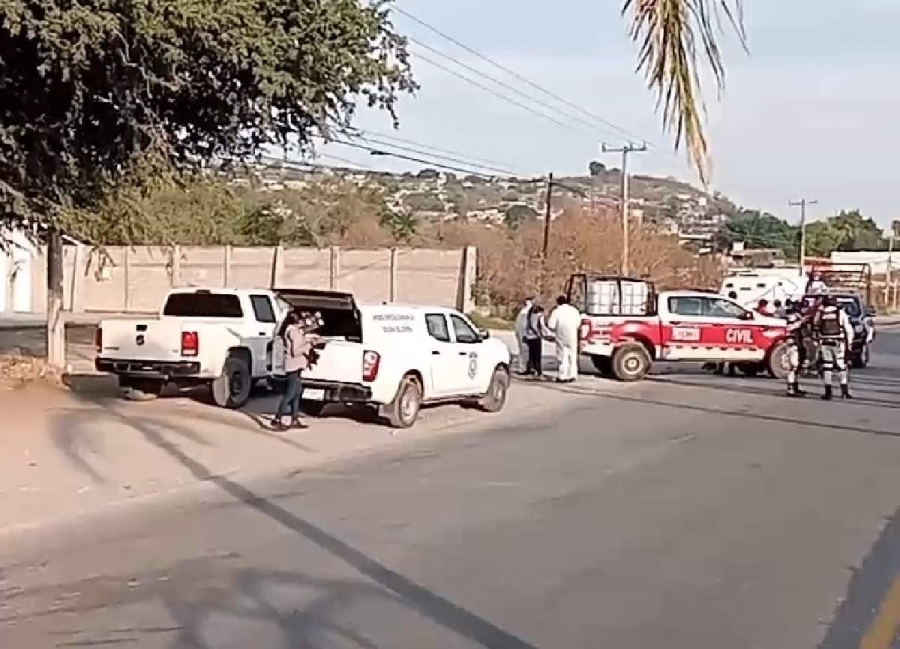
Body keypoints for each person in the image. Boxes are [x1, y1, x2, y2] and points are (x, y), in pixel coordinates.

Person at [271, 310, 314, 430]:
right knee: (290, 393)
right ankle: (278, 418)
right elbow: (296, 351)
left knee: (297, 392)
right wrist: (309, 345)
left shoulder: (292, 330)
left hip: (296, 365)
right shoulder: (293, 332)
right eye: (301, 319)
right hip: (293, 365)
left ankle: (294, 418)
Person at [812, 294, 854, 400]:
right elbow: (848, 329)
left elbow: (815, 326)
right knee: (841, 367)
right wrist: (849, 343)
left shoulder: (820, 313)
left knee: (827, 367)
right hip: (838, 342)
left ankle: (828, 392)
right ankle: (844, 391)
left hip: (824, 342)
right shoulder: (840, 313)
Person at [547, 294, 581, 383]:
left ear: (558, 302)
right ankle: (573, 374)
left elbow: (551, 325)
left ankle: (563, 376)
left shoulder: (557, 311)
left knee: (562, 355)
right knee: (572, 356)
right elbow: (578, 323)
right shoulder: (574, 310)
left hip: (561, 336)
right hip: (572, 335)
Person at [784, 301, 808, 397]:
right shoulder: (793, 317)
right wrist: (801, 322)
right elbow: (789, 327)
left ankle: (794, 387)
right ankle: (791, 389)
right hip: (792, 344)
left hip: (797, 343)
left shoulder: (797, 316)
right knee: (793, 366)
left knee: (796, 367)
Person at [523, 303, 549, 377]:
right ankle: (538, 370)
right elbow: (542, 326)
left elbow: (527, 326)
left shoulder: (529, 316)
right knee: (537, 355)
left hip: (529, 337)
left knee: (531, 354)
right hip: (536, 337)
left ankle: (530, 368)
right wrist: (547, 333)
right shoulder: (540, 316)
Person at [513, 296, 534, 374]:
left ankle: (524, 367)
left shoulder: (523, 310)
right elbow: (524, 324)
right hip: (524, 333)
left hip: (521, 332)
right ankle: (523, 368)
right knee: (525, 351)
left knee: (523, 351)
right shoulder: (527, 311)